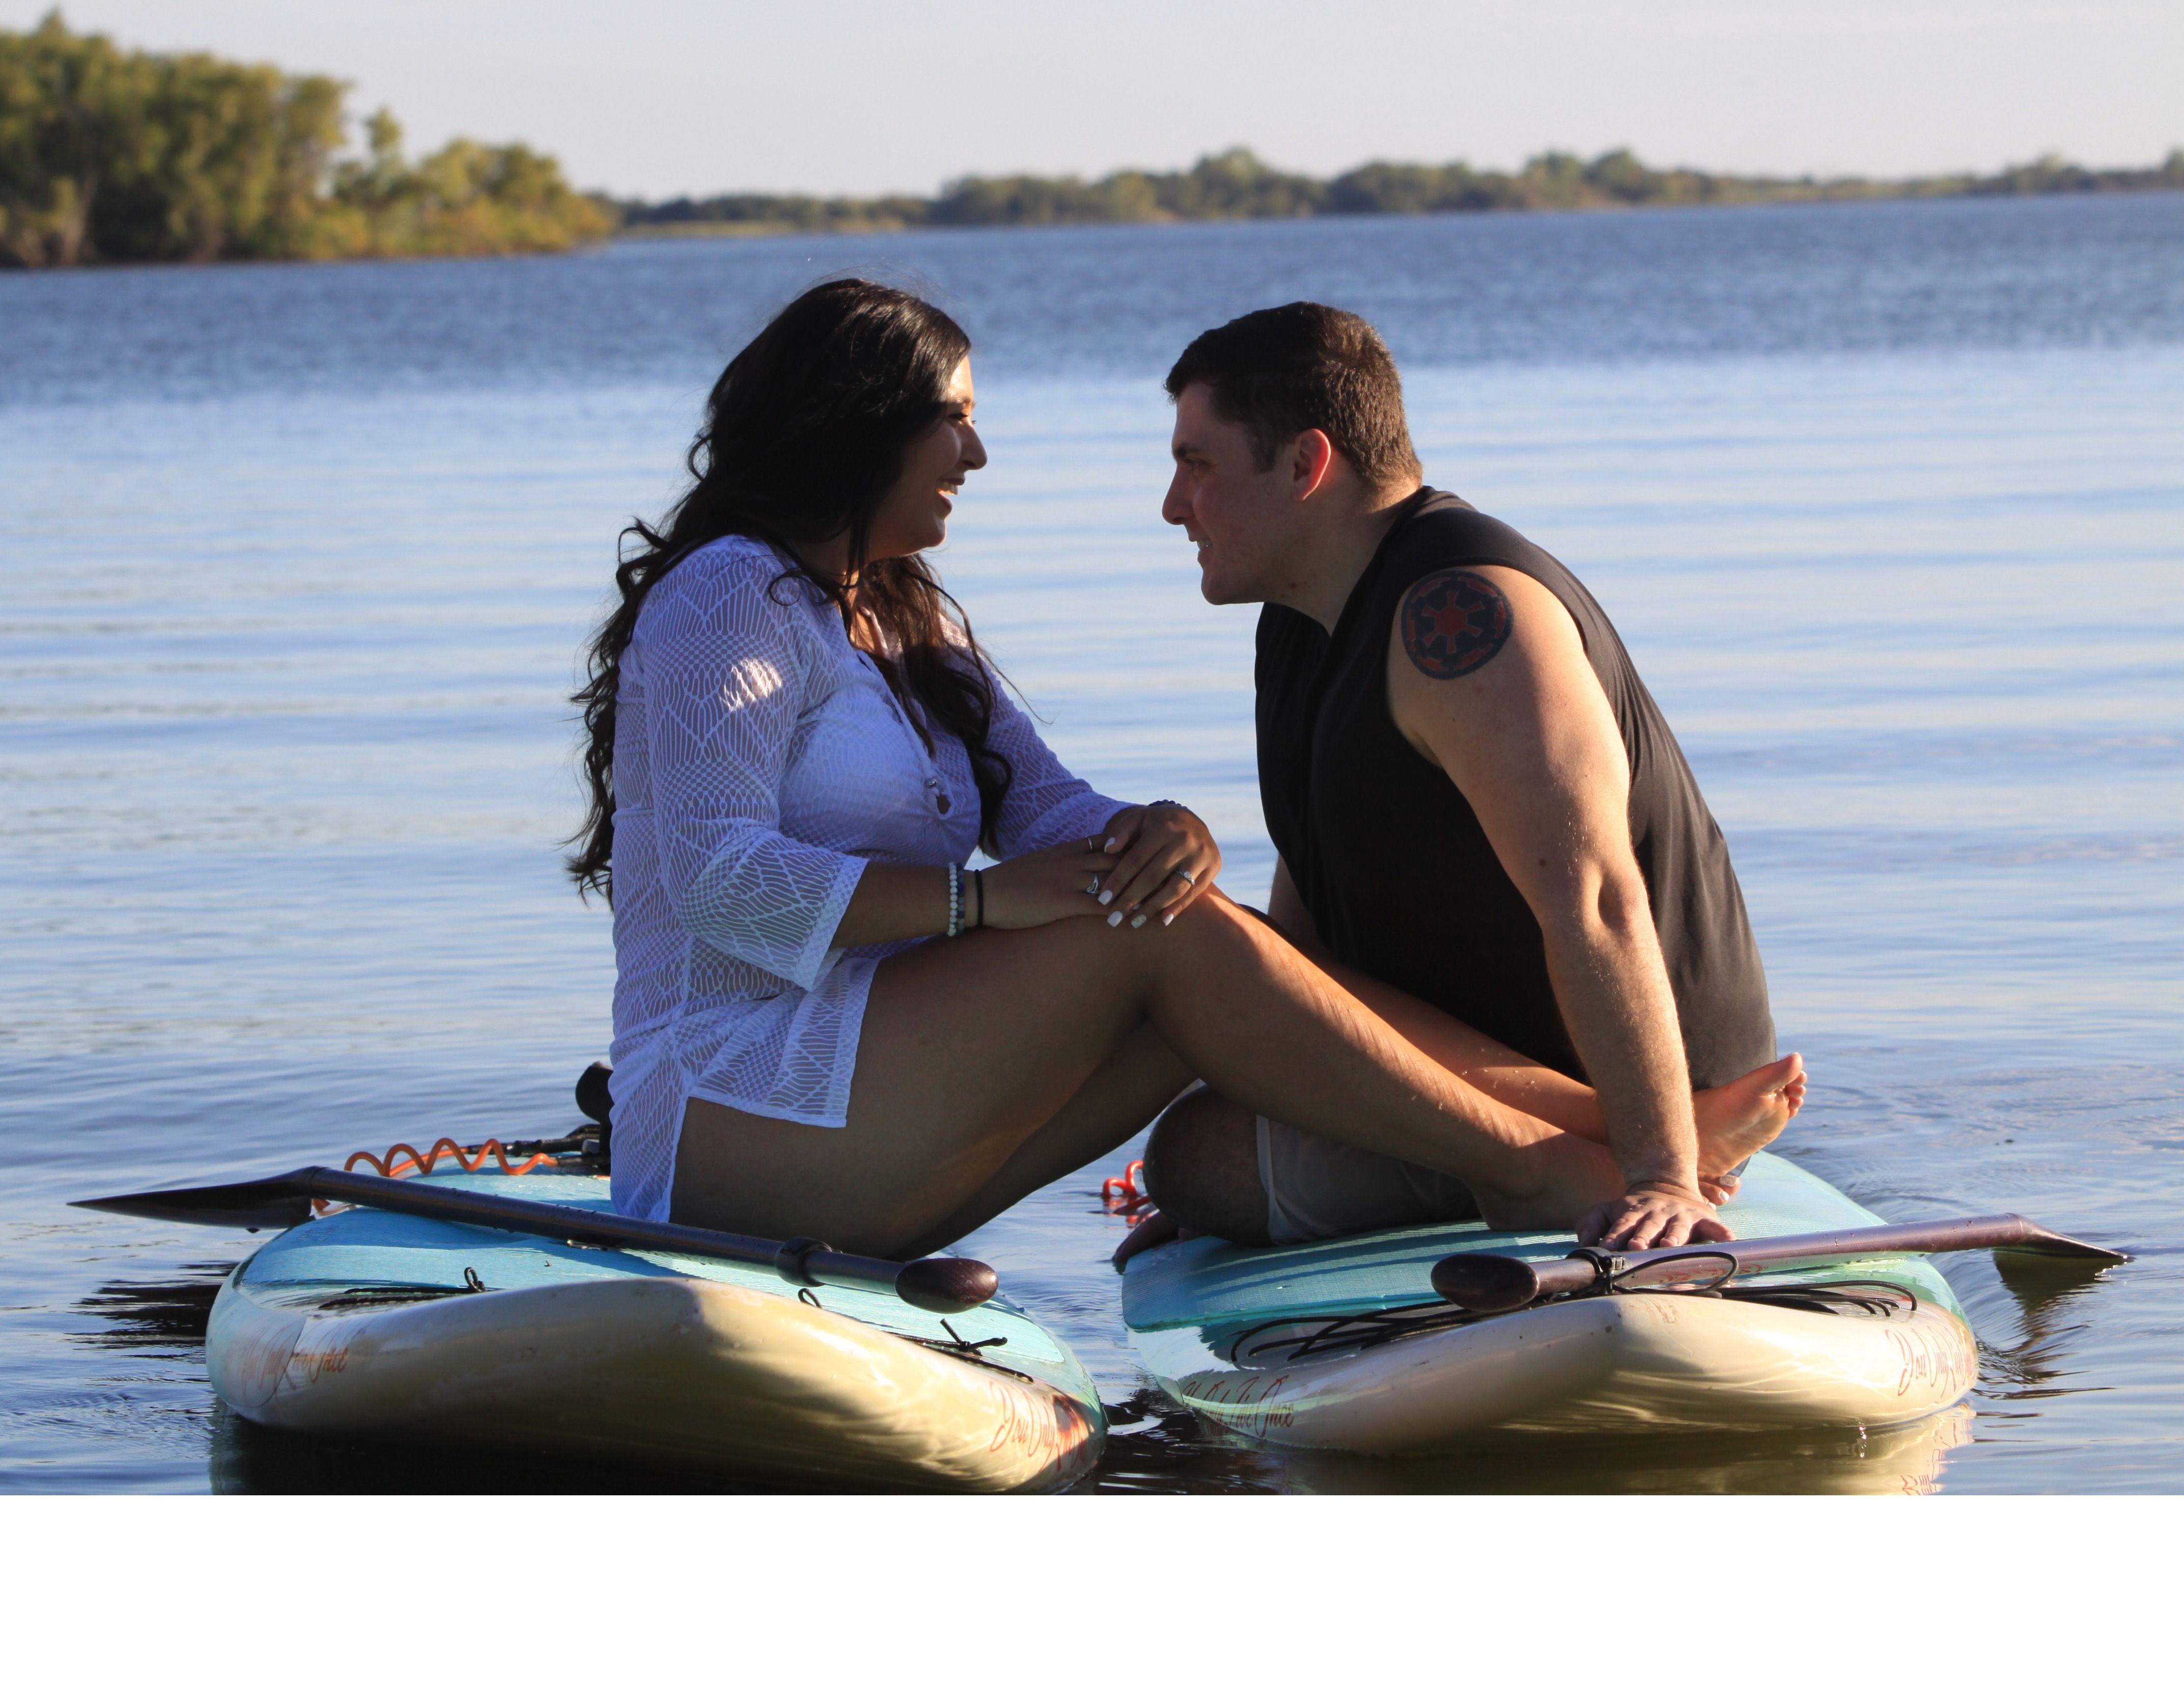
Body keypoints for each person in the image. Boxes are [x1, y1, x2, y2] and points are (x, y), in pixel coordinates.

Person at [569, 278, 1800, 1263]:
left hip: (887, 1113)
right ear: (862, 424)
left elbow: (1048, 806)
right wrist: (984, 902)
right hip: (731, 1111)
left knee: (1177, 914)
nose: (978, 454)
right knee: (1152, 934)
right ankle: (1561, 1161)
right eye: (956, 418)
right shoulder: (726, 594)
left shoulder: (909, 618)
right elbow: (723, 883)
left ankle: (1613, 1143)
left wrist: (1163, 831)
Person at [1140, 300, 1804, 1255]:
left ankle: (1643, 1148)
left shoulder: (1460, 615)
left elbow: (1599, 899)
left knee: (1198, 1155)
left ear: (1304, 464)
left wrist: (1661, 1178)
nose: (1173, 505)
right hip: (1522, 1072)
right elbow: (1309, 907)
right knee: (1208, 1114)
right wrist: (1272, 1083)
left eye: (1196, 466)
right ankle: (1621, 1140)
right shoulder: (1300, 619)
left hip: (1648, 1070)